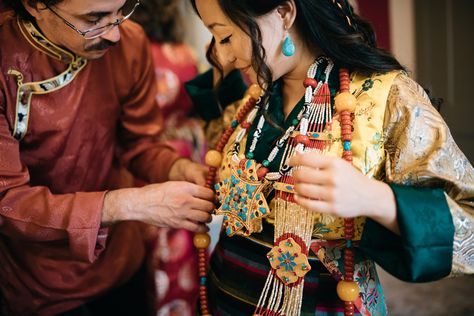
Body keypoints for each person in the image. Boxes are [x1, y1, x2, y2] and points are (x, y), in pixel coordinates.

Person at [185, 0, 474, 315]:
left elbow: (469, 232)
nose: (221, 54)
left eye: (225, 37)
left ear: (283, 12)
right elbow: (225, 156)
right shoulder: (258, 95)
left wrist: (377, 199)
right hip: (221, 297)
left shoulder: (386, 98)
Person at [0, 0, 215, 315]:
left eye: (122, 10)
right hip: (36, 287)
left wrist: (177, 167)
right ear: (35, 5)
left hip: (123, 263)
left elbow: (140, 144)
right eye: (94, 18)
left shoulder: (130, 42)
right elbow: (9, 202)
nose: (114, 34)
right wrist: (130, 204)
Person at [130, 0, 207, 314]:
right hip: (181, 160)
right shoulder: (184, 56)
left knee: (142, 245)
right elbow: (194, 109)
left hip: (140, 163)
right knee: (182, 245)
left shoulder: (130, 57)